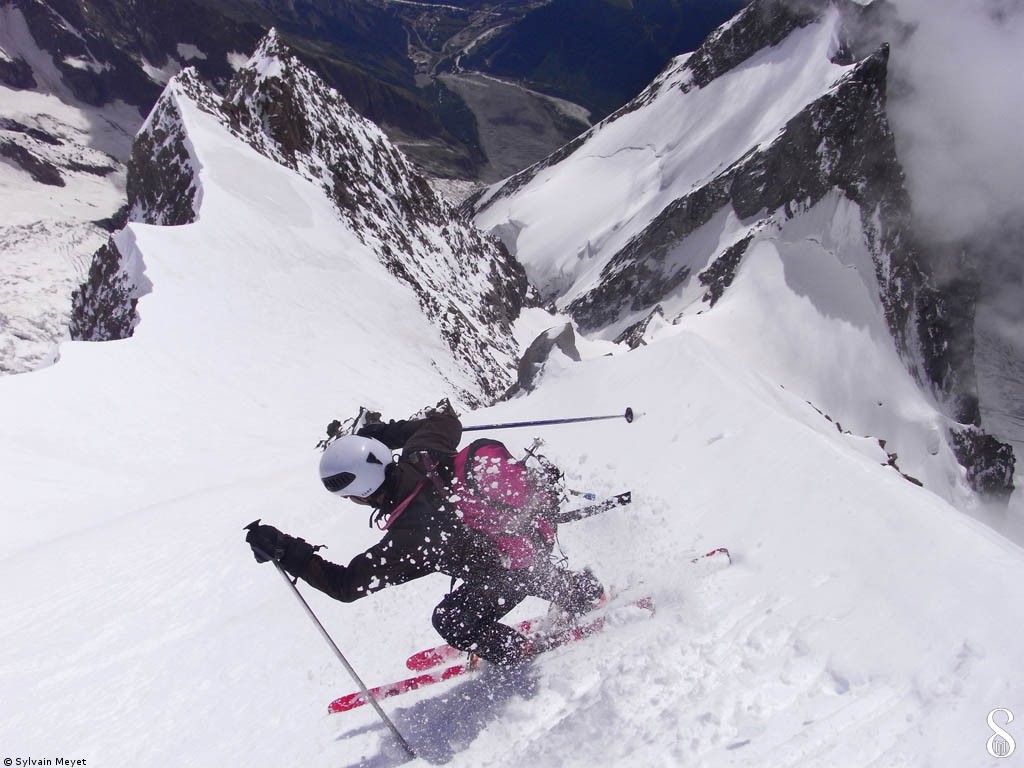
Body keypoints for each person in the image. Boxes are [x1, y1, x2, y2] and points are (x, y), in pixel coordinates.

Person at [244, 403, 604, 666]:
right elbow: (446, 420)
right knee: (516, 567)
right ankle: (579, 591)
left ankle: (516, 654)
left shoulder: (409, 538)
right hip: (530, 531)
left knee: (450, 619)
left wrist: (286, 550)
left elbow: (346, 586)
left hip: (507, 569)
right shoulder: (422, 451)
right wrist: (384, 434)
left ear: (362, 492)